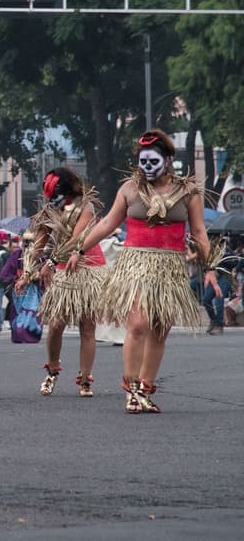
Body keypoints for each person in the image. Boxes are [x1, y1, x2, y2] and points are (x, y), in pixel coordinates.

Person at [69, 129, 213, 413]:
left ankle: (146, 388)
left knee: (160, 330)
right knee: (137, 325)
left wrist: (209, 268)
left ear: (168, 160)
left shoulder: (188, 193)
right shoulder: (129, 190)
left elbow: (198, 232)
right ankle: (131, 389)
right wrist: (78, 249)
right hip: (135, 265)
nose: (146, 167)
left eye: (152, 161)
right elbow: (107, 224)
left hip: (170, 268)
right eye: (142, 162)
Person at [19, 168, 107, 398]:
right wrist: (27, 273)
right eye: (49, 197)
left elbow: (77, 238)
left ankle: (85, 379)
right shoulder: (49, 212)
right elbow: (37, 244)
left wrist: (50, 262)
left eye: (56, 195)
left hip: (89, 267)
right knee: (56, 323)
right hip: (61, 271)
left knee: (87, 326)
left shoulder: (85, 207)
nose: (53, 200)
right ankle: (52, 370)